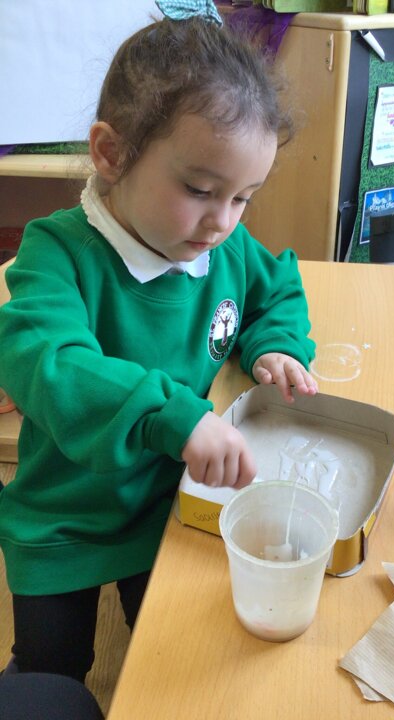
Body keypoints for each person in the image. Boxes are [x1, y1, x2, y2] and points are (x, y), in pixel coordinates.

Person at [0, 0, 317, 686]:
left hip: (171, 506)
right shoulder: (56, 254)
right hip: (66, 520)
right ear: (111, 154)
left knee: (172, 658)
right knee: (51, 673)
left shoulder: (221, 247)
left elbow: (276, 289)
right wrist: (174, 416)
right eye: (201, 189)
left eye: (244, 198)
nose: (223, 222)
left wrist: (276, 346)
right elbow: (50, 364)